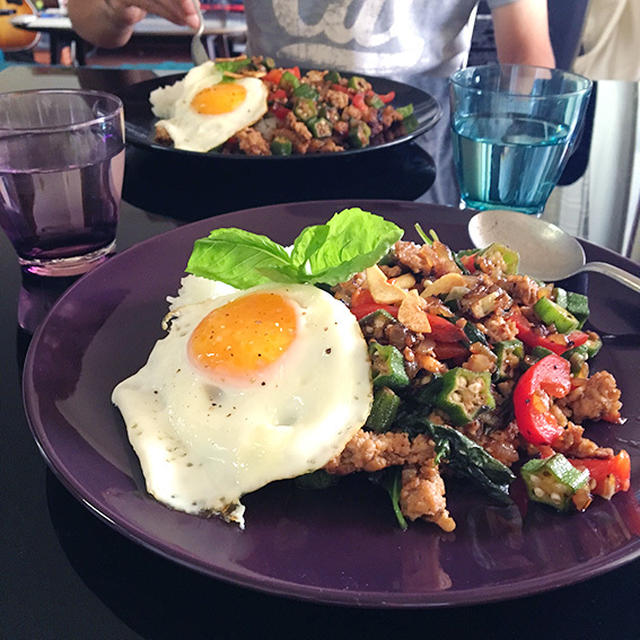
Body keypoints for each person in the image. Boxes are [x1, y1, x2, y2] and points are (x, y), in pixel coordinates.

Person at [67, 0, 555, 86]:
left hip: (423, 179)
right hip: (263, 170)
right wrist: (118, 4)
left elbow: (530, 62)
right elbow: (91, 23)